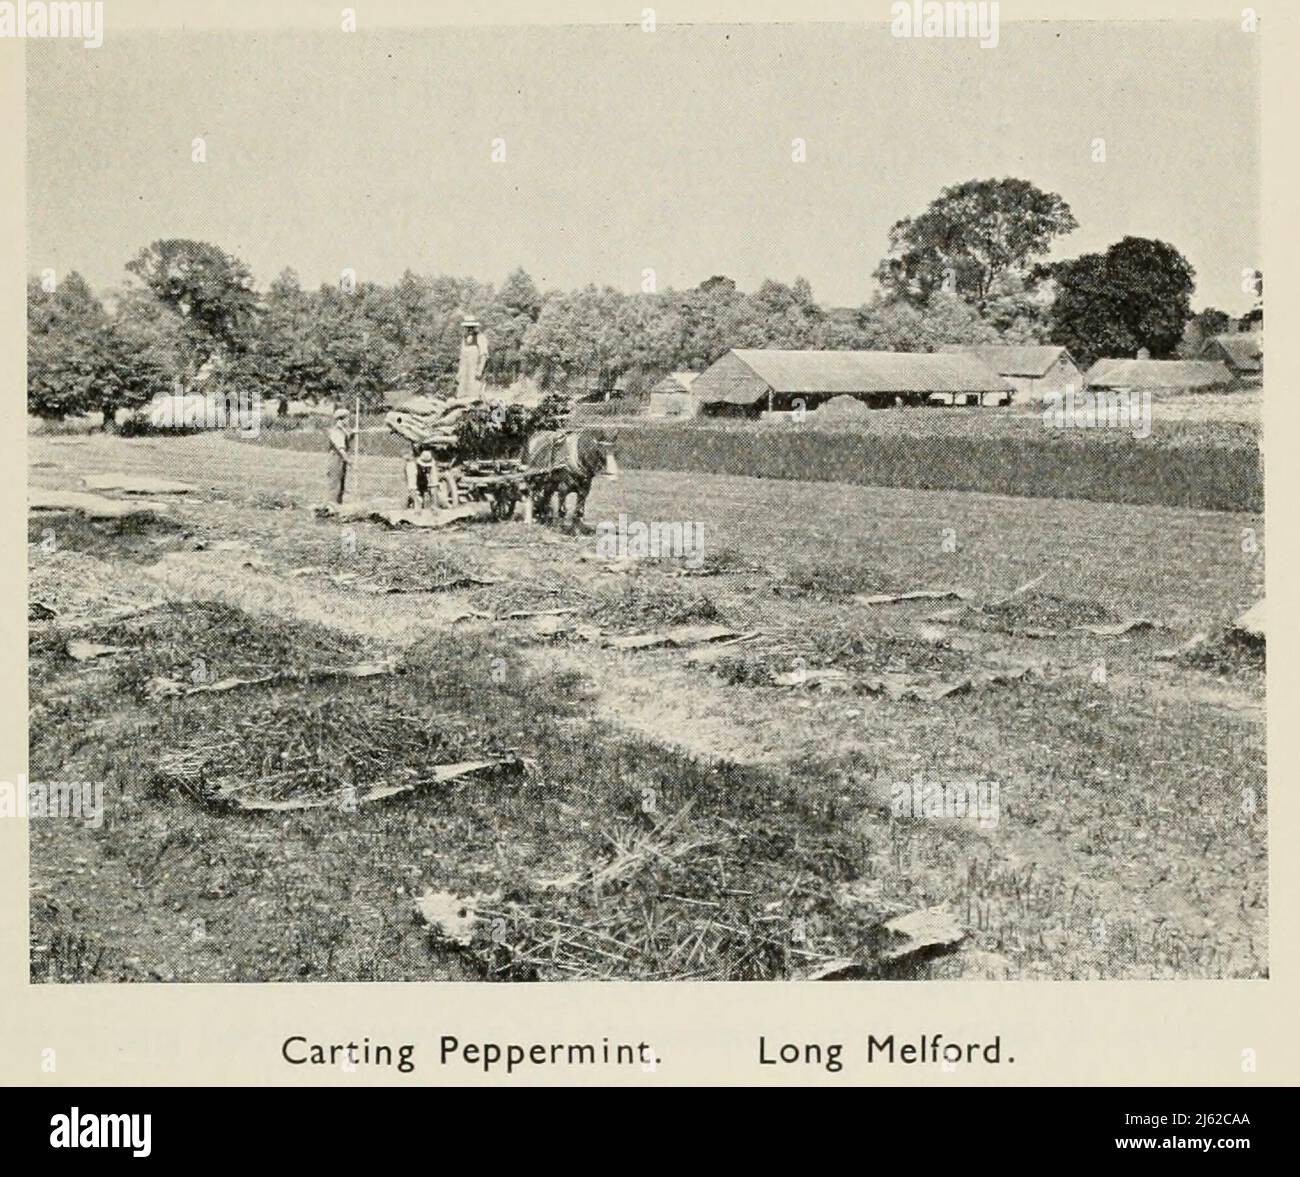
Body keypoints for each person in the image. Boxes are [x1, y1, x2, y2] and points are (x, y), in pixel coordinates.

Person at [455, 317, 490, 401]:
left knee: (474, 393)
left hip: (474, 371)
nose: (469, 329)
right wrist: (459, 373)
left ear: (475, 327)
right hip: (465, 371)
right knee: (462, 393)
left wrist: (480, 370)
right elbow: (462, 357)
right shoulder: (465, 339)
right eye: (467, 327)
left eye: (471, 327)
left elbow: (483, 355)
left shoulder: (480, 338)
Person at [326, 407, 353, 504]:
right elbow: (341, 449)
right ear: (341, 419)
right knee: (335, 484)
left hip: (341, 460)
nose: (349, 420)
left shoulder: (343, 430)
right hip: (335, 459)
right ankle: (331, 505)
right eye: (347, 418)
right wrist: (348, 460)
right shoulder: (336, 431)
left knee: (341, 484)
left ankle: (338, 505)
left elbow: (348, 435)